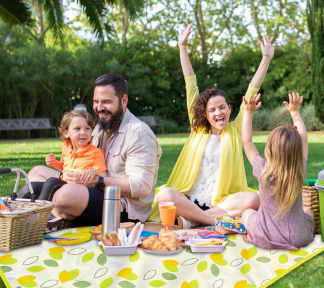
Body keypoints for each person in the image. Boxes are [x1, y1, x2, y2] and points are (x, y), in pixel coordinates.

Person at [152, 23, 274, 228]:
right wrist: (182, 47)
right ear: (205, 114)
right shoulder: (197, 129)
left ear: (230, 108)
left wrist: (266, 59)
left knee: (254, 199)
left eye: (222, 107)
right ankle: (210, 221)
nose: (218, 112)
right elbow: (190, 83)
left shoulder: (235, 130)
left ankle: (192, 220)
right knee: (165, 193)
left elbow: (252, 89)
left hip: (220, 203)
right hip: (189, 198)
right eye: (212, 110)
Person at [20, 73, 162, 228]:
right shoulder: (100, 127)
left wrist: (98, 181)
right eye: (96, 102)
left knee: (64, 195)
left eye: (106, 102)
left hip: (120, 206)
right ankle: (42, 215)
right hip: (88, 188)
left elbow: (142, 186)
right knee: (36, 173)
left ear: (124, 100)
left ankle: (48, 219)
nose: (99, 108)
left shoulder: (138, 133)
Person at [241, 92, 315, 249]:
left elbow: (247, 142)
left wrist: (248, 113)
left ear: (270, 148)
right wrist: (295, 113)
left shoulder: (263, 169)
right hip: (298, 238)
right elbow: (303, 138)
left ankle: (252, 233)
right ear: (297, 151)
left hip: (265, 236)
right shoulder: (299, 167)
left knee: (246, 213)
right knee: (308, 210)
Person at [36, 110, 107, 201]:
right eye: (77, 128)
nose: (83, 132)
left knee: (51, 182)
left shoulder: (95, 153)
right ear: (66, 133)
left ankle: (39, 213)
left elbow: (104, 176)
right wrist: (54, 163)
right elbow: (64, 168)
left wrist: (94, 172)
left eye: (87, 128)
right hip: (65, 183)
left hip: (81, 190)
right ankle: (16, 211)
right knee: (33, 186)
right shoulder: (66, 147)